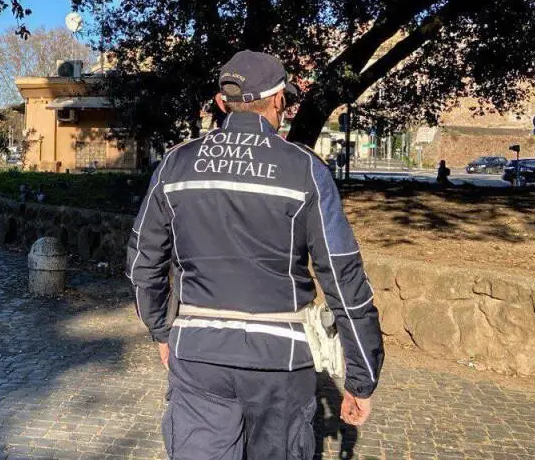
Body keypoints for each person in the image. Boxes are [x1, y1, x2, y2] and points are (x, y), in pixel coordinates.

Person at [127, 50, 383, 460]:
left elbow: (143, 261)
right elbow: (342, 275)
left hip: (198, 355)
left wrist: (161, 329)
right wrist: (362, 377)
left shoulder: (176, 164)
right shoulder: (305, 169)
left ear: (221, 102)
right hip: (281, 362)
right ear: (278, 101)